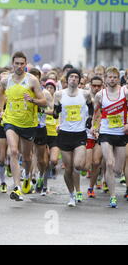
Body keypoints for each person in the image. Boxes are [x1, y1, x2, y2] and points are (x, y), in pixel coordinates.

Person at [0, 51, 47, 202]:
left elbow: (44, 102)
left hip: (28, 123)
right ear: (12, 64)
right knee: (13, 151)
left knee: (27, 157)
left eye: (22, 64)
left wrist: (32, 100)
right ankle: (17, 187)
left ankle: (27, 177)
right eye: (16, 63)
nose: (19, 66)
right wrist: (0, 109)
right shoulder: (6, 81)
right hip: (10, 120)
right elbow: (1, 93)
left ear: (25, 65)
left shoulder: (32, 80)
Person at [53, 68, 94, 207]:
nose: (74, 79)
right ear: (67, 79)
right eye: (72, 77)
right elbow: (56, 111)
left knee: (78, 165)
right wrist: (56, 117)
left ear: (79, 80)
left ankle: (76, 186)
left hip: (80, 133)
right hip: (64, 134)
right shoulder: (59, 94)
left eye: (77, 77)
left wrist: (89, 119)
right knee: (68, 168)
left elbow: (91, 108)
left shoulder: (85, 94)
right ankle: (71, 195)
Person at [91, 67, 128, 208]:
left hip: (121, 133)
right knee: (110, 163)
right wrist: (94, 126)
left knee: (118, 169)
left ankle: (108, 175)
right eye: (109, 77)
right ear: (105, 79)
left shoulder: (124, 92)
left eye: (114, 77)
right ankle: (113, 196)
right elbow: (96, 112)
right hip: (106, 132)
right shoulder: (100, 95)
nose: (112, 79)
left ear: (118, 78)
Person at [85, 76, 104, 198]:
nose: (96, 88)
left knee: (96, 162)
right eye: (94, 85)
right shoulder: (84, 97)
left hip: (101, 134)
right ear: (90, 85)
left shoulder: (106, 98)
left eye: (99, 86)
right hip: (86, 134)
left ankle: (90, 187)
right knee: (86, 165)